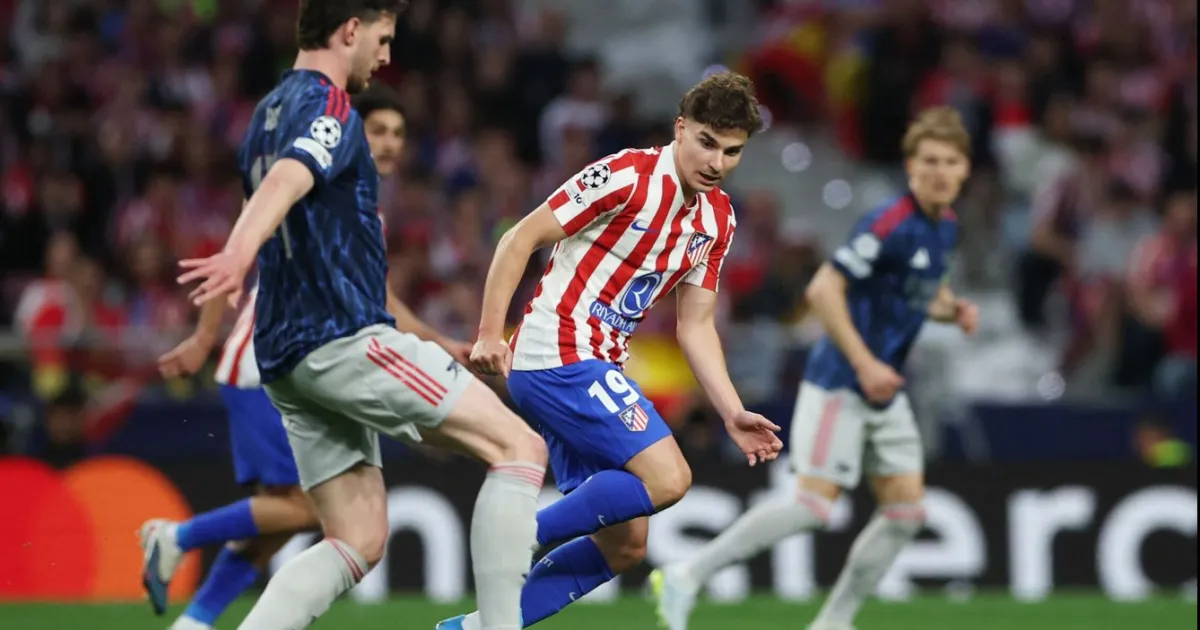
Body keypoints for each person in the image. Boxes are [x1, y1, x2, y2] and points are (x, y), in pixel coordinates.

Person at [173, 3, 547, 629]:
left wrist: (239, 255)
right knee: (519, 446)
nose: (387, 55)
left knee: (357, 537)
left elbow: (272, 192)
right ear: (350, 29)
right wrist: (237, 255)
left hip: (284, 358)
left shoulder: (264, 115)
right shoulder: (331, 106)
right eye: (383, 37)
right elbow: (288, 179)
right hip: (342, 338)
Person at [437, 71, 784, 630]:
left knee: (625, 546)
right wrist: (489, 333)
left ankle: (473, 628)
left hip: (596, 362)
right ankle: (516, 534)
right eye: (706, 142)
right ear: (680, 128)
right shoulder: (625, 175)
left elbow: (696, 326)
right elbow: (519, 238)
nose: (717, 162)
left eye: (732, 151)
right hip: (558, 351)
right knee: (669, 478)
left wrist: (731, 411)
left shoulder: (717, 219)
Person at [142, 83, 471, 629]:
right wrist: (203, 338)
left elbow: (383, 303)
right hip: (267, 365)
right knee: (306, 509)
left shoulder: (363, 209)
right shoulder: (308, 183)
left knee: (281, 520)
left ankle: (193, 621)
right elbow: (237, 250)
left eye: (398, 134)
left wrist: (443, 342)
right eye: (377, 131)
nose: (389, 143)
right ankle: (176, 536)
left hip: (292, 365)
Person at [651, 107, 980, 630]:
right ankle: (687, 573)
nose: (940, 172)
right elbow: (823, 290)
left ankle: (833, 622)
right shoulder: (890, 223)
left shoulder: (945, 228)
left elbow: (920, 292)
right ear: (911, 166)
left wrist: (951, 309)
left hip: (882, 390)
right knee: (813, 507)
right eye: (929, 161)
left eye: (950, 162)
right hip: (842, 382)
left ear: (964, 170)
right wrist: (865, 364)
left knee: (906, 513)